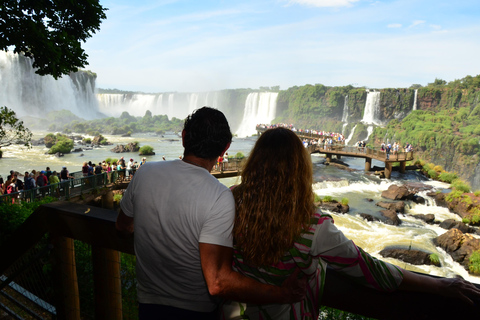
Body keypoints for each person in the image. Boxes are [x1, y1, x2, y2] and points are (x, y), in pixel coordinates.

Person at [222, 127, 480, 319]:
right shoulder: (312, 226)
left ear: (255, 162)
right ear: (300, 170)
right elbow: (371, 271)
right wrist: (441, 283)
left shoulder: (231, 200)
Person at [116, 107, 306, 319]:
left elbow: (123, 226)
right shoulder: (219, 196)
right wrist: (282, 294)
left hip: (148, 305)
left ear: (184, 137)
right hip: (196, 311)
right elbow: (217, 282)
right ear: (225, 148)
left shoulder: (145, 172)